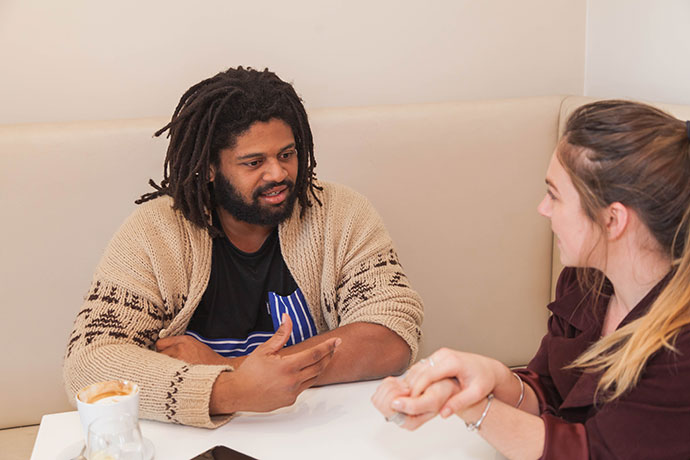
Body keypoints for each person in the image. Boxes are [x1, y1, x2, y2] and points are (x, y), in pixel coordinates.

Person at [64, 66, 423, 428]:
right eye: (254, 162)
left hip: (321, 427)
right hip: (200, 439)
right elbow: (89, 362)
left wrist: (236, 369)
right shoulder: (155, 234)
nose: (278, 173)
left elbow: (390, 336)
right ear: (210, 168)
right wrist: (230, 390)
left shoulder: (341, 215)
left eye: (287, 154)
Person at [372, 100, 690, 459]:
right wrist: (491, 375)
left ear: (613, 220)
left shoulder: (681, 350)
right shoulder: (586, 283)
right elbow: (554, 393)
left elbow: (595, 452)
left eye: (554, 195)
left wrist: (467, 405)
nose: (543, 208)